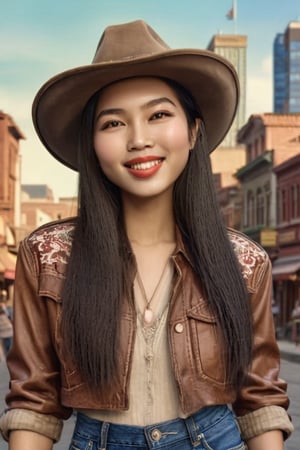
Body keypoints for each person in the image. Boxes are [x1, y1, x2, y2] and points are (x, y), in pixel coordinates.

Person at [0, 20, 293, 450]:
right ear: (92, 145)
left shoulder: (243, 259)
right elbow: (34, 400)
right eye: (113, 123)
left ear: (193, 131)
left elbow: (260, 399)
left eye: (158, 115)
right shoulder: (47, 256)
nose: (139, 139)